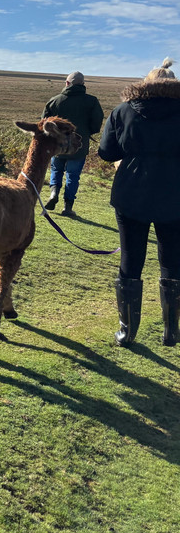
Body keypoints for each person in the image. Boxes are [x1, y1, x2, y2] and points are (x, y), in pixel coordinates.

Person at [98, 58, 180, 346]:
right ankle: (171, 331)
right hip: (175, 197)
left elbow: (106, 152)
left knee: (131, 259)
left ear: (145, 84)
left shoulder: (123, 111)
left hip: (131, 194)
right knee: (172, 261)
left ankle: (127, 331)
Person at [42, 71, 104, 216]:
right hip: (79, 145)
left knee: (56, 170)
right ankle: (67, 207)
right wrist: (87, 132)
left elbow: (44, 123)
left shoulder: (54, 100)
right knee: (73, 175)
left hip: (57, 145)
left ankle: (53, 194)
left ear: (67, 83)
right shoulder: (92, 101)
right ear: (83, 84)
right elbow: (96, 123)